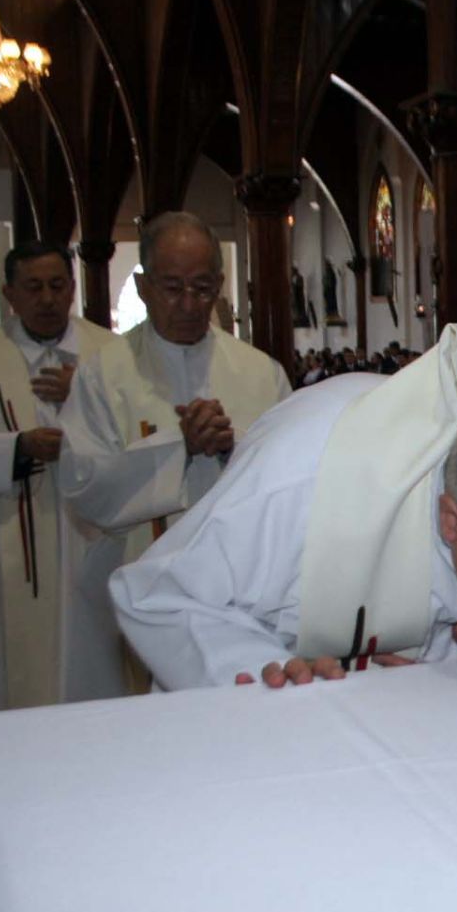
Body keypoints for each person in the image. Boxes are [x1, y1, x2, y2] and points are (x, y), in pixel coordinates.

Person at [109, 324, 457, 689]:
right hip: (301, 732)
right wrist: (275, 677)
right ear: (452, 519)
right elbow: (160, 594)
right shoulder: (302, 474)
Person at [58, 211, 291, 696]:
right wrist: (175, 447)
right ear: (143, 287)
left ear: (221, 284)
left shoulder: (260, 373)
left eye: (203, 288)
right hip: (135, 579)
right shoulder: (104, 374)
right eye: (172, 287)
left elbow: (294, 478)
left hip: (239, 592)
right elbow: (81, 485)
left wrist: (232, 444)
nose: (189, 303)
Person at [0, 240, 118, 715]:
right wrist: (18, 448)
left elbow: (140, 433)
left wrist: (85, 394)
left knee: (96, 666)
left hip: (90, 541)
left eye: (58, 285)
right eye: (33, 287)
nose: (48, 298)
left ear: (73, 288)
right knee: (19, 673)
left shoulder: (110, 355)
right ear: (9, 293)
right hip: (15, 545)